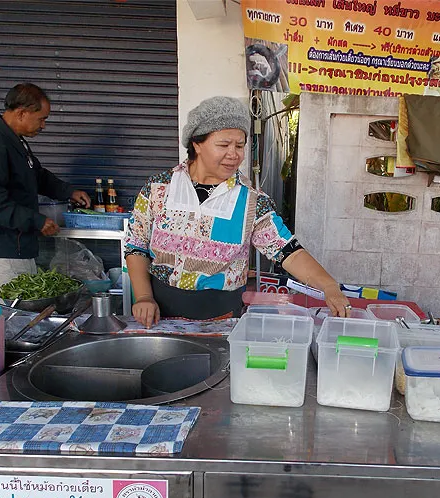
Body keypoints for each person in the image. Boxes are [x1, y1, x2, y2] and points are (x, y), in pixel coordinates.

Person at [125, 95, 351, 326]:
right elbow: (136, 245)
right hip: (158, 315)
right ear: (197, 143)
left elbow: (286, 250)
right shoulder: (158, 188)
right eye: (223, 145)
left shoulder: (252, 201)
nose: (234, 154)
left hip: (222, 319)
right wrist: (144, 296)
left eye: (240, 146)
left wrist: (328, 286)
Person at [0, 83, 91, 301]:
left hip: (17, 248)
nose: (43, 125)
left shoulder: (14, 142)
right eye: (41, 119)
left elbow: (36, 175)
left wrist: (68, 191)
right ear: (22, 113)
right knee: (12, 318)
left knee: (20, 316)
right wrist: (36, 221)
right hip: (3, 251)